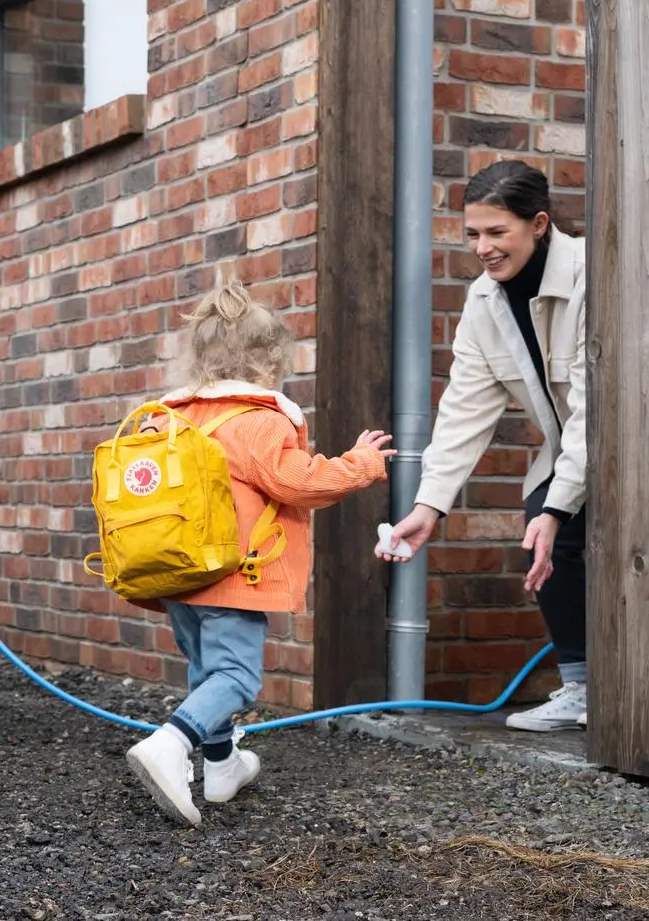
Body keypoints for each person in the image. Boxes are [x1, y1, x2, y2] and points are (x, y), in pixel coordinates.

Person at [124, 277, 393, 827]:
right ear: (269, 364)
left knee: (207, 670)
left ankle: (221, 768)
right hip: (232, 576)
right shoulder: (257, 421)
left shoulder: (164, 418)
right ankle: (171, 745)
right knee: (237, 678)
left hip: (177, 575)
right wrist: (360, 463)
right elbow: (297, 482)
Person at [378, 161, 588, 732]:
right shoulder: (484, 302)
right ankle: (585, 687)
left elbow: (603, 413)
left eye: (497, 232)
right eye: (473, 233)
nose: (482, 247)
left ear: (539, 223)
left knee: (555, 517)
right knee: (541, 520)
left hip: (625, 439)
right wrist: (429, 506)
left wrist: (558, 507)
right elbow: (463, 411)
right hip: (578, 444)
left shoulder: (593, 275)